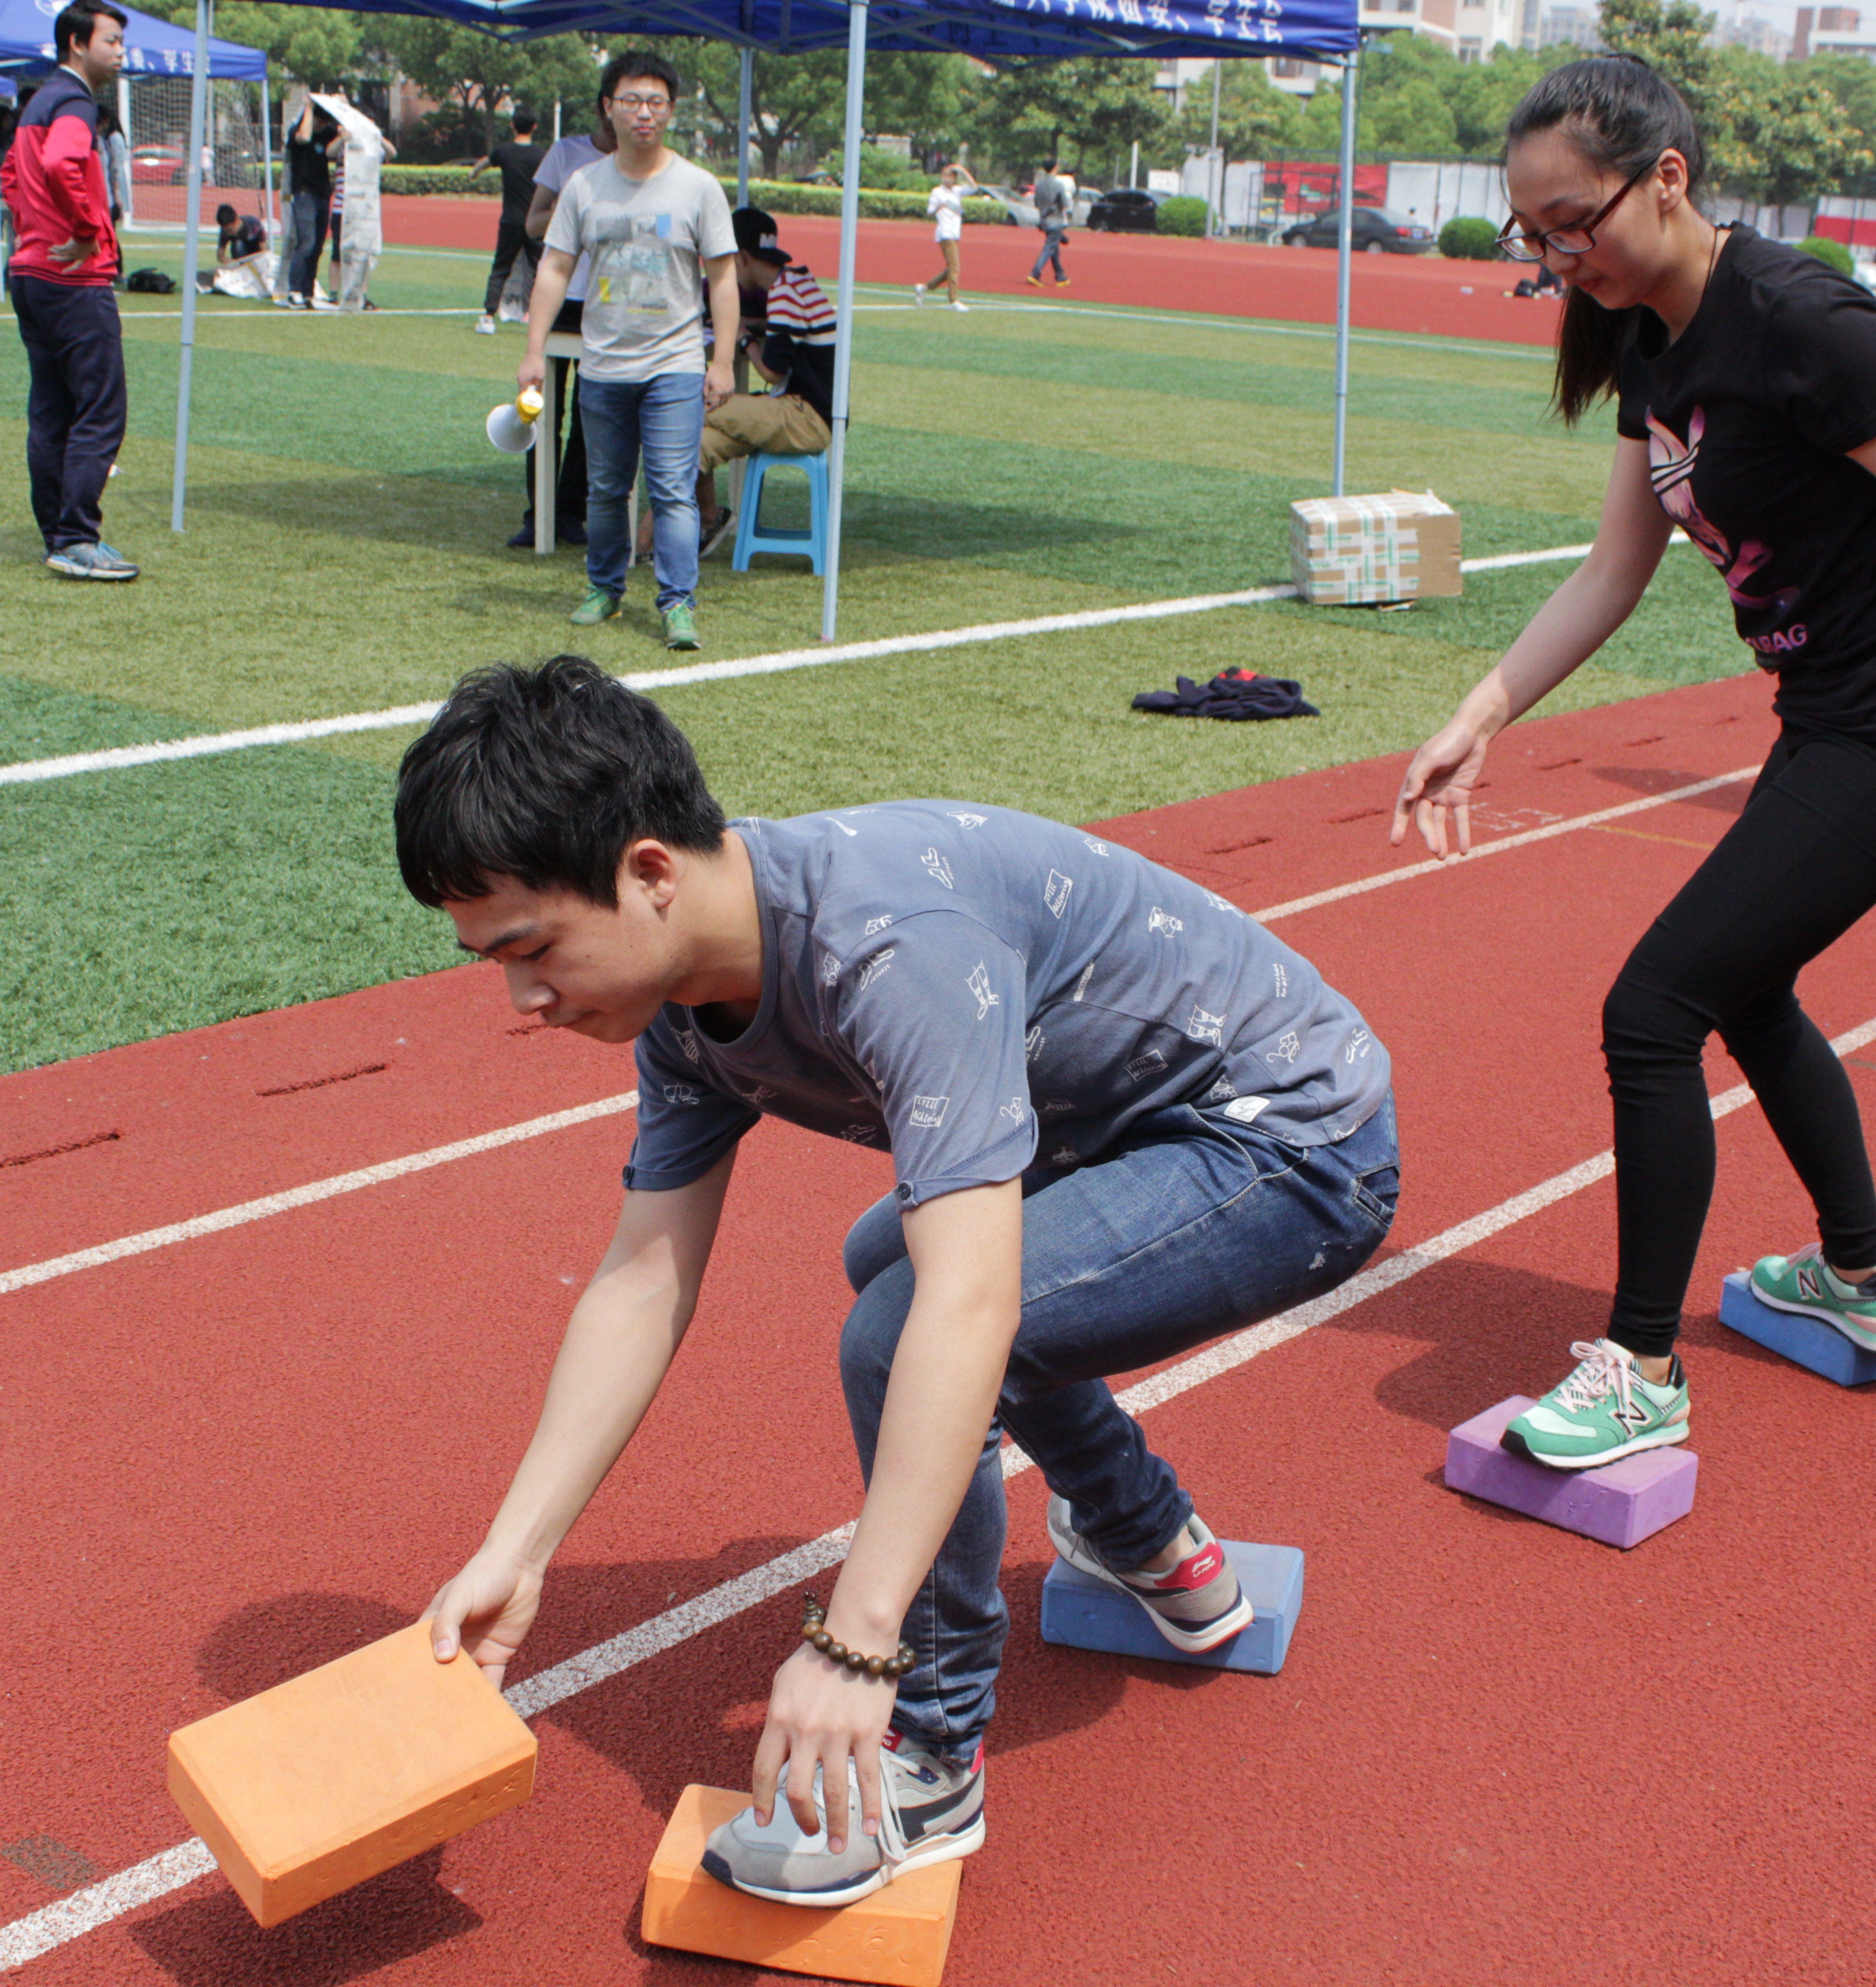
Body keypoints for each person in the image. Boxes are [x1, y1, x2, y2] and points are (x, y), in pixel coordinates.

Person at [396, 657, 1397, 1908]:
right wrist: (518, 1551)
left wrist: (860, 1642)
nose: (519, 998)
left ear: (649, 872)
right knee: (888, 1258)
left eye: (533, 948)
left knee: (902, 1322)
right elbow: (642, 1280)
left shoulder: (885, 949)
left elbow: (970, 1306)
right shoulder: (682, 1003)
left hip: (1293, 1145)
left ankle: (929, 1748)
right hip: (1120, 1131)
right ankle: (1148, 1539)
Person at [1397, 56, 1876, 1466]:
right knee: (1743, 990)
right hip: (1827, 715)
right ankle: (1860, 1277)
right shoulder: (1646, 336)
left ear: (1667, 178)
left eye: (1570, 222)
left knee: (1651, 1010)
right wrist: (1483, 711)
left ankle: (1641, 1368)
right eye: (1532, 232)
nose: (1554, 256)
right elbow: (1614, 568)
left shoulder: (1801, 318)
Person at [520, 51, 738, 650]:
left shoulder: (698, 187)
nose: (644, 113)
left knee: (672, 489)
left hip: (675, 365)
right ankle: (605, 588)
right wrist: (534, 351)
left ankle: (678, 603)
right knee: (606, 490)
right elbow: (554, 268)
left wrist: (722, 362)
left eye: (656, 102)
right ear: (608, 108)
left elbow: (722, 277)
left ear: (671, 110)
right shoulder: (584, 185)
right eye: (632, 101)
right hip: (604, 366)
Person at [3, 0, 136, 581]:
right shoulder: (75, 102)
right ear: (78, 44)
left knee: (51, 411)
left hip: (31, 273)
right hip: (71, 280)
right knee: (100, 409)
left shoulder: (37, 101)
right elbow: (60, 163)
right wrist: (84, 230)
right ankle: (77, 537)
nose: (121, 52)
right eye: (112, 41)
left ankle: (59, 536)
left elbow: (12, 174)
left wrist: (33, 227)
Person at [657, 209, 831, 557]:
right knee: (696, 444)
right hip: (804, 412)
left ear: (742, 258)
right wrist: (753, 325)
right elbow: (789, 329)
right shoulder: (797, 282)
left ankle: (644, 543)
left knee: (685, 411)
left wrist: (742, 338)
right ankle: (711, 518)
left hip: (803, 416)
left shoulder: (782, 295)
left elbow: (772, 373)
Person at [508, 100, 618, 550]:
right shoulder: (567, 153)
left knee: (591, 416)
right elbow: (533, 223)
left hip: (608, 304)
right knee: (541, 411)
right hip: (562, 300)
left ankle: (571, 513)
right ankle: (539, 515)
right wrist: (577, 208)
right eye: (619, 106)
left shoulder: (638, 163)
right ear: (605, 108)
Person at [470, 103, 546, 334]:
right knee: (536, 268)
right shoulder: (542, 155)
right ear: (535, 127)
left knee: (501, 267)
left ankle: (488, 316)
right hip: (535, 222)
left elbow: (484, 163)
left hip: (510, 221)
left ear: (512, 125)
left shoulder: (503, 152)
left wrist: (474, 173)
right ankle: (530, 313)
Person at [327, 99, 391, 310]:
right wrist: (342, 137)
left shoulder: (373, 147)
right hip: (343, 208)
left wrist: (378, 137)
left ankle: (361, 295)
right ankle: (334, 294)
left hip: (365, 210)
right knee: (339, 253)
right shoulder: (347, 141)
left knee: (365, 255)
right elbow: (330, 152)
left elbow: (392, 152)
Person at [278, 88, 332, 309]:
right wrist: (308, 108)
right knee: (306, 242)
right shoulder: (296, 132)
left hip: (322, 194)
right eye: (319, 121)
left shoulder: (326, 134)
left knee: (318, 246)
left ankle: (308, 291)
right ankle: (294, 291)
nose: (322, 126)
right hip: (304, 194)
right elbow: (305, 137)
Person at [914, 163, 972, 310]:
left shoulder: (957, 191)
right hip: (945, 233)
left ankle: (925, 288)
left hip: (955, 233)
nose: (948, 179)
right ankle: (953, 301)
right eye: (945, 176)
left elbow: (974, 187)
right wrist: (941, 206)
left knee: (951, 268)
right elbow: (930, 211)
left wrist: (963, 171)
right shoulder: (937, 192)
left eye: (951, 176)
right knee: (955, 267)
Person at [210, 200, 278, 297]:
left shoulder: (254, 225)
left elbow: (264, 251)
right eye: (226, 230)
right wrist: (234, 263)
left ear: (236, 220)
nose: (229, 233)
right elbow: (220, 257)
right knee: (237, 244)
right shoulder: (225, 232)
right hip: (241, 262)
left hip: (257, 258)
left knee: (239, 244)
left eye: (230, 230)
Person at [1028, 159, 1071, 289]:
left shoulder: (1039, 185)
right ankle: (1035, 273)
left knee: (1054, 248)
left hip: (1045, 221)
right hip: (1056, 221)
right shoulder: (1058, 185)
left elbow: (1037, 203)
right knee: (1049, 248)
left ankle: (1060, 276)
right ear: (1055, 167)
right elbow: (1065, 204)